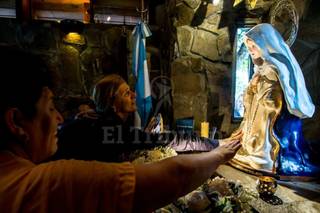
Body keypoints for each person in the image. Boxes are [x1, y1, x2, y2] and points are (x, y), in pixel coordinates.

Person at [0, 47, 241, 212]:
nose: (59, 117)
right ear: (16, 122)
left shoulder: (104, 123)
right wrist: (217, 148)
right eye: (50, 107)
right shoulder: (103, 129)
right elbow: (172, 166)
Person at [225, 23, 319, 177]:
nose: (250, 50)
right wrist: (251, 89)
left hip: (271, 118)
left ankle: (265, 155)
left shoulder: (279, 69)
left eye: (253, 46)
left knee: (264, 147)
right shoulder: (260, 69)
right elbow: (251, 96)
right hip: (257, 118)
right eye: (249, 47)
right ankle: (253, 149)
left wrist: (265, 92)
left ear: (265, 45)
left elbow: (288, 94)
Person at [55, 74, 217, 162]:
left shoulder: (100, 120)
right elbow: (166, 139)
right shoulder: (111, 129)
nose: (135, 95)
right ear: (113, 104)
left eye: (131, 90)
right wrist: (215, 143)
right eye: (126, 93)